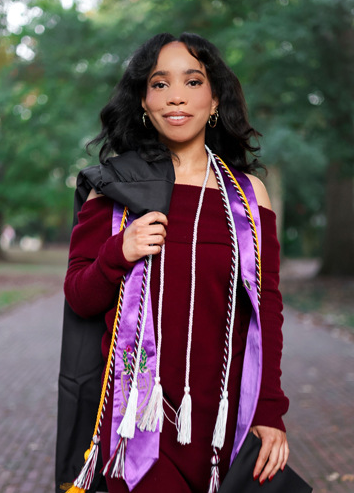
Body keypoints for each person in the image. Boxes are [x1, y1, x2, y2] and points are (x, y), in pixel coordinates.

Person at [60, 32, 289, 493]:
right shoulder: (116, 188)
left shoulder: (247, 196)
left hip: (224, 414)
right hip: (136, 418)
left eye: (193, 81)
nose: (177, 96)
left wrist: (269, 411)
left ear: (215, 98)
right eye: (160, 84)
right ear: (144, 102)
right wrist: (117, 251)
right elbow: (80, 299)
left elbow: (266, 308)